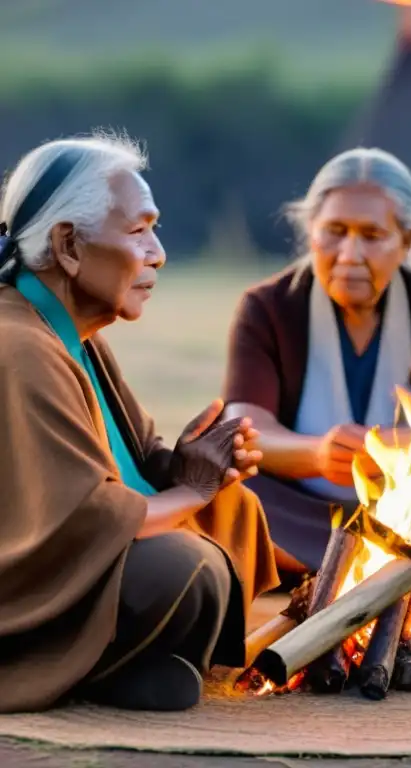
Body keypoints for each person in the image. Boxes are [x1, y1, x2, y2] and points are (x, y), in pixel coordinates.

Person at [0, 134, 279, 714]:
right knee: (187, 567)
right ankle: (75, 667)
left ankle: (125, 662)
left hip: (87, 555)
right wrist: (192, 488)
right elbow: (86, 517)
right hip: (24, 591)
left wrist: (191, 464)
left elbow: (130, 459)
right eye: (138, 231)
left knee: (236, 511)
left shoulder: (71, 334)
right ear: (69, 245)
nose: (158, 252)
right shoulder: (20, 345)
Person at [223, 147, 411, 574]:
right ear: (310, 230)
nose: (349, 254)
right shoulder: (266, 307)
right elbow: (250, 431)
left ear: (408, 240)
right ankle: (407, 564)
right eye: (335, 231)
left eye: (372, 235)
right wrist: (319, 455)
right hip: (302, 503)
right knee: (231, 486)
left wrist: (389, 449)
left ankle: (319, 563)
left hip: (410, 499)